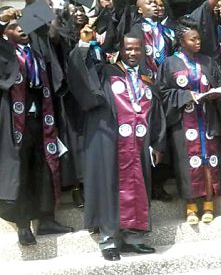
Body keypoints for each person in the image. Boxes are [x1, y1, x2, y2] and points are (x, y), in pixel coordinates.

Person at [68, 27, 166, 261]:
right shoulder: (105, 73)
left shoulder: (146, 79)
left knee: (137, 189)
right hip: (110, 143)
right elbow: (81, 73)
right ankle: (109, 241)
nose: (133, 53)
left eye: (137, 48)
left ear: (144, 50)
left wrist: (158, 143)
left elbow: (157, 113)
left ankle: (134, 238)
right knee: (109, 188)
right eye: (128, 48)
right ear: (120, 50)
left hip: (139, 145)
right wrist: (83, 44)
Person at [0, 16, 73, 246]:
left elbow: (40, 16)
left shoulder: (37, 53)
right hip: (15, 121)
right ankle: (23, 225)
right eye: (13, 27)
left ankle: (47, 219)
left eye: (23, 25)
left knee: (45, 167)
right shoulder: (5, 55)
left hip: (41, 119)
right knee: (22, 170)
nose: (21, 29)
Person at [157, 19, 221, 225]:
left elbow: (220, 84)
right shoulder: (169, 63)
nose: (198, 42)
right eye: (193, 39)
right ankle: (190, 206)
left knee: (209, 159)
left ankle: (208, 203)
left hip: (207, 118)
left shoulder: (207, 61)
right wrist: (188, 96)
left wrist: (215, 94)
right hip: (183, 121)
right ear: (181, 40)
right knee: (186, 162)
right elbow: (163, 93)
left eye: (199, 38)